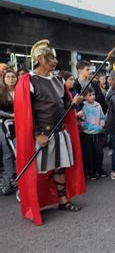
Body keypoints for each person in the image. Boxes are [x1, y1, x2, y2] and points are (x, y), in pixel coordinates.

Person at [14, 39, 85, 225]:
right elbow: (26, 112)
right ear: (40, 58)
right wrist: (38, 133)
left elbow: (62, 106)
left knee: (59, 168)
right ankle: (34, 205)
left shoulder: (57, 79)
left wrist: (73, 104)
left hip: (60, 132)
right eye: (51, 58)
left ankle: (63, 201)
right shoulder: (27, 81)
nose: (55, 61)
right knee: (39, 171)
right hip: (42, 135)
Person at [79, 87, 107, 180]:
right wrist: (90, 127)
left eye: (93, 94)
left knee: (99, 152)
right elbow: (82, 122)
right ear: (84, 97)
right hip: (87, 134)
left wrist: (101, 126)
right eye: (89, 95)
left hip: (98, 133)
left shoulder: (98, 105)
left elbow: (102, 117)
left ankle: (98, 169)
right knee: (89, 154)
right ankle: (90, 172)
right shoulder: (83, 106)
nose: (92, 97)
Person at [0, 70, 17, 182]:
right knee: (8, 150)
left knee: (18, 148)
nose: (11, 79)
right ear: (4, 79)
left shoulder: (20, 91)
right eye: (8, 77)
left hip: (19, 122)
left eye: (13, 76)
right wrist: (10, 115)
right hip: (3, 122)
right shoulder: (1, 92)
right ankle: (11, 176)